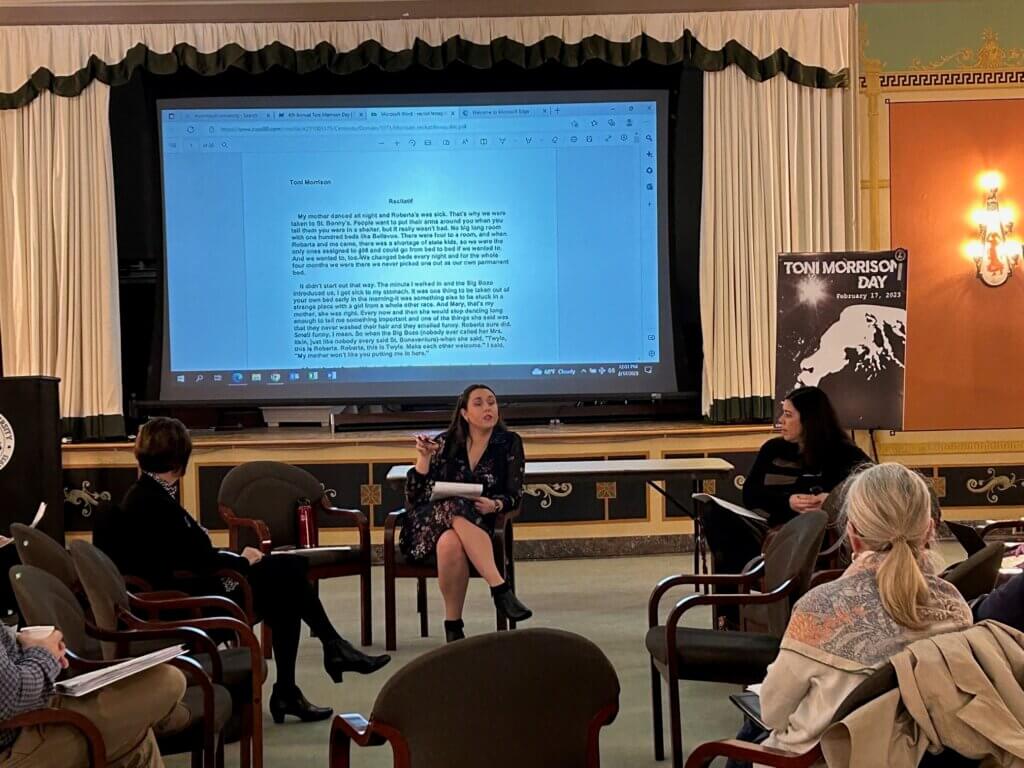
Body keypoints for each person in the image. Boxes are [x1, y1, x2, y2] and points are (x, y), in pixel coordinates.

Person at [107, 417, 390, 724]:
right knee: (287, 577)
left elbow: (188, 556)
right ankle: (320, 660)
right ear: (180, 458)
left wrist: (238, 559)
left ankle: (314, 666)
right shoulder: (153, 502)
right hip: (190, 604)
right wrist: (242, 561)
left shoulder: (147, 493)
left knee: (286, 576)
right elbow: (198, 561)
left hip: (190, 590)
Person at [726, 463, 973, 767]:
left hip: (823, 760)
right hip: (916, 759)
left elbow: (772, 712)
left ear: (852, 534)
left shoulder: (820, 608)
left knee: (744, 741)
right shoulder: (955, 607)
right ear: (930, 531)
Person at [402, 384, 531, 642]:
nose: (487, 408)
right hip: (428, 523)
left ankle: (453, 626)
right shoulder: (444, 442)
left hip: (477, 523)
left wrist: (495, 505)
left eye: (491, 402)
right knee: (456, 505)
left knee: (450, 543)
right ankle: (499, 588)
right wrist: (424, 458)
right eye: (479, 403)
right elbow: (415, 495)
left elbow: (514, 494)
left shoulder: (508, 443)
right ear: (464, 413)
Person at [702, 386, 870, 576]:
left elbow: (873, 486)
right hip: (773, 528)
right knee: (714, 513)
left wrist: (832, 500)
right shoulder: (773, 449)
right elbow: (750, 494)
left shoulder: (844, 452)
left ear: (809, 419)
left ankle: (763, 576)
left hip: (818, 535)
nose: (780, 420)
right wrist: (787, 501)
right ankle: (742, 582)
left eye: (788, 415)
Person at [0, 624, 186, 767]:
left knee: (137, 737)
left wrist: (28, 647)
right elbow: (11, 697)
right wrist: (43, 653)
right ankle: (167, 716)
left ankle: (166, 714)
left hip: (34, 711)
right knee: (167, 680)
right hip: (14, 741)